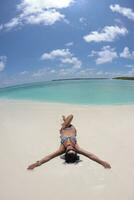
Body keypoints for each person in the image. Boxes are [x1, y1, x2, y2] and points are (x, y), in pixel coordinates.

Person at [27, 114, 111, 170]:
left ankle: (64, 122)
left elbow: (49, 157)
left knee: (68, 118)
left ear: (66, 152)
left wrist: (36, 164)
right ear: (75, 151)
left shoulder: (61, 149)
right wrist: (102, 162)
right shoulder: (77, 148)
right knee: (71, 116)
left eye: (69, 149)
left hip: (63, 129)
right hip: (71, 128)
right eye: (73, 150)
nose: (71, 147)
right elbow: (91, 155)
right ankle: (64, 120)